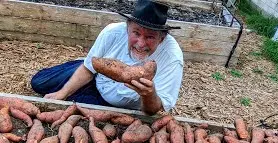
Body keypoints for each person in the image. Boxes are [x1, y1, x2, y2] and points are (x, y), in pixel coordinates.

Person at [31, 0, 183, 115]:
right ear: (127, 27)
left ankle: (82, 94)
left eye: (150, 37)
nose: (141, 44)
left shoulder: (172, 57)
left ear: (161, 38)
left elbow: (154, 110)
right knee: (38, 83)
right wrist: (62, 94)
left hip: (116, 106)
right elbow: (89, 69)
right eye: (136, 33)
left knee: (82, 110)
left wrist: (148, 95)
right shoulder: (112, 32)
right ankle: (78, 72)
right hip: (96, 77)